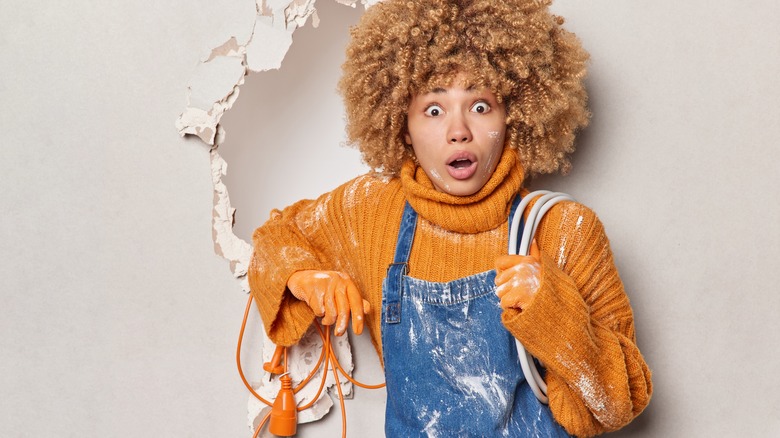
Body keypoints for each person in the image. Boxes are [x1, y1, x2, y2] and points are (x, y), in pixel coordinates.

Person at [248, 0, 652, 436]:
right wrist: (306, 277)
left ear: (513, 115)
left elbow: (618, 402)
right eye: (434, 110)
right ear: (403, 124)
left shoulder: (563, 228)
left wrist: (551, 310)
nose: (458, 130)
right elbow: (275, 237)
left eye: (480, 106)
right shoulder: (371, 211)